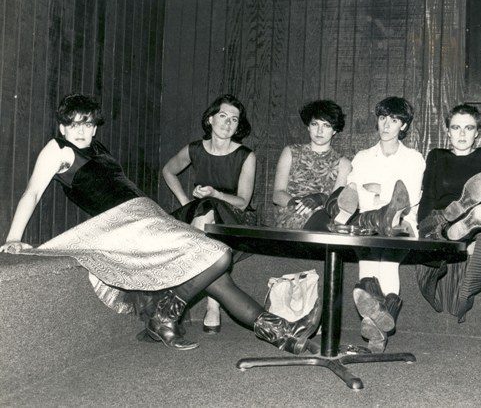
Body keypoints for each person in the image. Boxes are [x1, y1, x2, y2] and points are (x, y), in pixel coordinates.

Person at [0, 93, 319, 354]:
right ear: (62, 126)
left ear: (96, 128)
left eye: (88, 125)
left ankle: (282, 334)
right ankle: (166, 310)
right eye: (73, 125)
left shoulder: (96, 146)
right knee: (219, 254)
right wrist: (14, 237)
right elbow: (31, 192)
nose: (81, 132)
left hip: (146, 215)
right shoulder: (57, 149)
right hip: (122, 225)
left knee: (213, 274)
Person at [162, 94, 256, 334]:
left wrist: (215, 193)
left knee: (207, 211)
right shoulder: (194, 149)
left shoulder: (246, 155)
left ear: (238, 126)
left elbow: (243, 202)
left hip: (234, 216)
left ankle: (178, 300)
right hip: (202, 211)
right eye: (222, 116)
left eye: (234, 120)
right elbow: (168, 170)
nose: (227, 124)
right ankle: (211, 307)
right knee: (204, 213)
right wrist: (184, 200)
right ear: (210, 120)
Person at [343, 96, 425, 353]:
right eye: (382, 118)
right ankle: (378, 328)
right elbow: (355, 194)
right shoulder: (363, 156)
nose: (386, 125)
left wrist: (377, 190)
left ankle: (374, 324)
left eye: (394, 119)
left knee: (387, 261)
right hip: (368, 222)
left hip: (402, 224)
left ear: (404, 126)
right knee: (369, 262)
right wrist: (382, 194)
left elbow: (407, 198)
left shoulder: (413, 158)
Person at [415, 104, 481, 322]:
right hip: (441, 219)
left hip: (479, 223)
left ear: (477, 132)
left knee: (457, 303)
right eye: (456, 127)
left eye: (469, 128)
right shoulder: (437, 156)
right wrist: (423, 228)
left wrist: (477, 241)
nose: (462, 133)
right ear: (448, 131)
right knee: (439, 224)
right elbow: (427, 198)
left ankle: (464, 227)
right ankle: (452, 222)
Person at [272, 99, 352, 230]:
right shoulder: (290, 152)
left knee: (330, 222)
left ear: (334, 130)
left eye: (326, 125)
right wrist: (299, 204)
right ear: (308, 126)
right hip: (291, 214)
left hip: (324, 217)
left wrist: (321, 198)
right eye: (315, 124)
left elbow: (337, 204)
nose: (320, 131)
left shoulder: (343, 164)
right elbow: (277, 194)